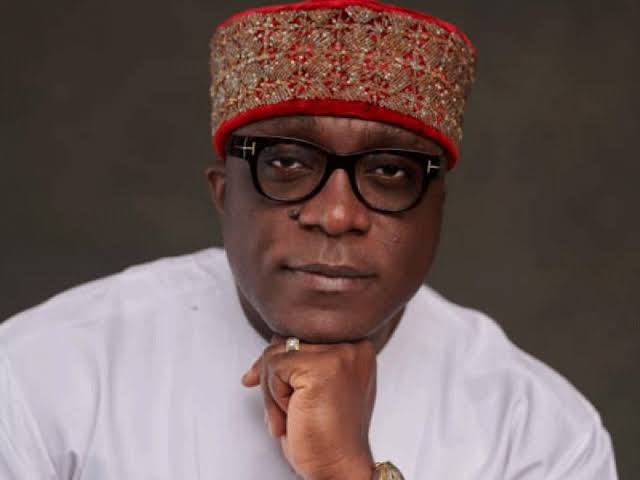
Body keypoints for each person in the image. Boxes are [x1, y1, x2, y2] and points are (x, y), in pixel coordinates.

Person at [0, 0, 618, 478]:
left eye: (391, 172)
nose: (337, 214)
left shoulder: (539, 434)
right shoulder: (41, 374)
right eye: (288, 164)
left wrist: (346, 472)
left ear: (438, 210)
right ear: (223, 192)